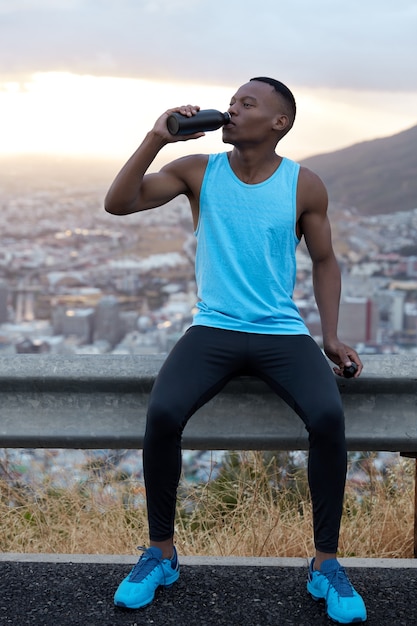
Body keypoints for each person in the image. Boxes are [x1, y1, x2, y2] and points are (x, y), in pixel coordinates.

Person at [104, 76, 367, 624]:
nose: (231, 108)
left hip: (281, 332)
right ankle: (161, 553)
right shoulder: (198, 171)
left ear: (279, 123)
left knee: (327, 416)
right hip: (213, 328)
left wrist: (331, 334)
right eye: (232, 100)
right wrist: (157, 138)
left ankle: (326, 564)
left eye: (247, 103)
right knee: (163, 413)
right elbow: (118, 203)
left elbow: (325, 260)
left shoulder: (305, 184)